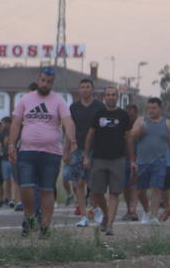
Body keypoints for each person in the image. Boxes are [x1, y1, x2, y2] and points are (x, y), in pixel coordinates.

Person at [8, 68, 75, 238]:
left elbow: (68, 122)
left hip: (51, 153)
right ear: (38, 80)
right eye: (43, 80)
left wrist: (71, 141)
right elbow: (16, 123)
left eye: (49, 81)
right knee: (26, 187)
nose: (45, 84)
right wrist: (11, 145)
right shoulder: (26, 99)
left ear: (52, 83)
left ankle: (45, 226)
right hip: (27, 151)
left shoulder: (59, 101)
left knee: (47, 190)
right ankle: (30, 217)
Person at [83, 87, 133, 235]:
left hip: (118, 158)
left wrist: (132, 159)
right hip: (99, 158)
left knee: (115, 192)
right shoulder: (99, 114)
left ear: (117, 97)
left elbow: (128, 138)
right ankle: (106, 214)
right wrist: (86, 155)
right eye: (108, 95)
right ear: (104, 97)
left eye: (113, 95)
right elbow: (90, 135)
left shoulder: (123, 115)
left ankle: (110, 224)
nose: (110, 97)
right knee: (97, 192)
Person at [67, 79, 103, 226]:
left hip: (96, 148)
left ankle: (97, 209)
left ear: (92, 90)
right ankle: (84, 216)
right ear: (79, 90)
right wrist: (67, 150)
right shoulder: (73, 107)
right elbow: (69, 130)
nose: (85, 89)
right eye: (82, 87)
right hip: (78, 149)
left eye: (88, 87)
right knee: (79, 183)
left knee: (94, 183)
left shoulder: (100, 107)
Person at [131, 97, 170, 224]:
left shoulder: (167, 123)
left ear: (160, 109)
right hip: (142, 161)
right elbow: (133, 137)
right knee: (141, 191)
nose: (151, 110)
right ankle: (147, 211)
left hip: (160, 161)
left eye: (154, 108)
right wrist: (139, 131)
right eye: (149, 108)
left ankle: (153, 216)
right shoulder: (141, 120)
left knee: (157, 188)